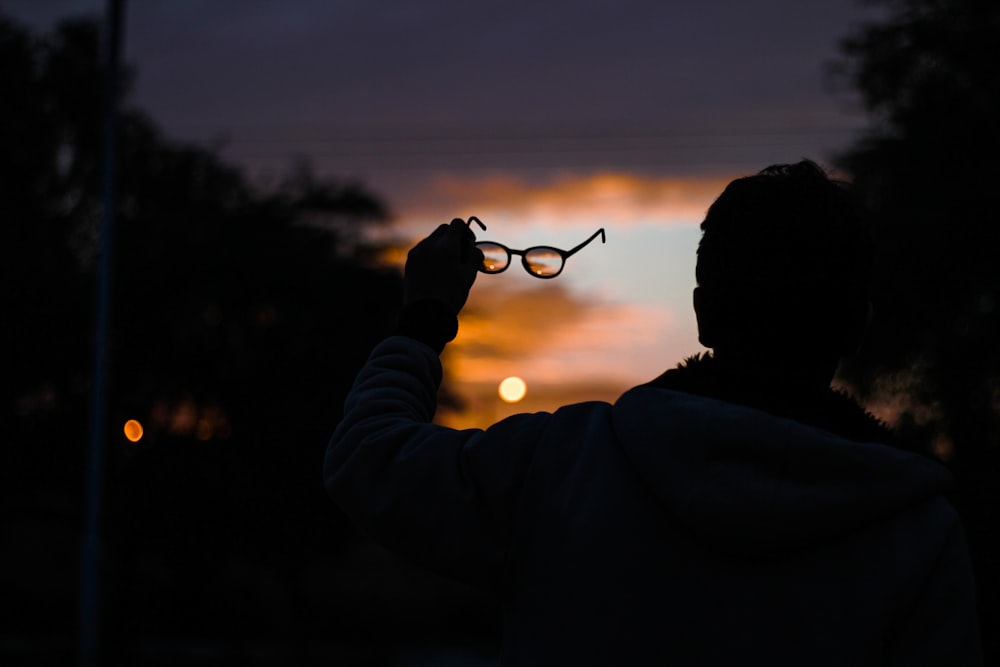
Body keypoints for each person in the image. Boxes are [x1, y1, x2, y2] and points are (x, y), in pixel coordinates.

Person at [325, 161, 981, 665]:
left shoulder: (561, 468)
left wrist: (424, 320)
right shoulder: (918, 534)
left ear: (703, 311)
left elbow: (371, 460)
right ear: (857, 328)